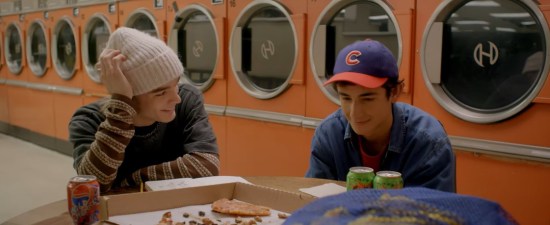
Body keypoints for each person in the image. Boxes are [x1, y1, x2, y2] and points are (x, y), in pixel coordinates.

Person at [69, 27, 219, 192]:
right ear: (131, 95)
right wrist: (121, 107)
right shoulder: (88, 120)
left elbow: (207, 166)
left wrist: (130, 180)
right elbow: (94, 184)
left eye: (175, 84)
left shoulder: (188, 99)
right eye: (161, 93)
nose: (177, 99)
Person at [305, 39, 455, 192]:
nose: (355, 112)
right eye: (346, 98)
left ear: (395, 92)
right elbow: (313, 202)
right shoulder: (329, 134)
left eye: (367, 99)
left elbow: (439, 211)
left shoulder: (428, 142)